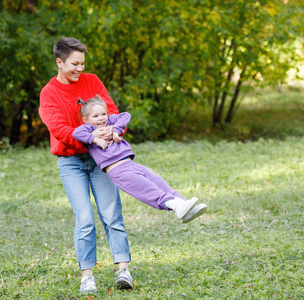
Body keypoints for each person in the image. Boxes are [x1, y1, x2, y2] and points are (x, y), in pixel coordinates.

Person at [38, 37, 132, 293]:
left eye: (82, 63)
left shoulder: (92, 81)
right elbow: (58, 129)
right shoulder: (49, 93)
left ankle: (124, 271)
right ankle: (87, 276)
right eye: (74, 64)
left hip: (101, 158)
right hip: (71, 162)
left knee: (112, 214)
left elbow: (110, 111)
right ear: (59, 62)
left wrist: (113, 132)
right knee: (85, 218)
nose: (80, 69)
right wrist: (91, 136)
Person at [73, 96, 208, 221]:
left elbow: (126, 115)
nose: (101, 118)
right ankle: (177, 206)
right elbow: (76, 133)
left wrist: (115, 130)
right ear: (85, 119)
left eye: (103, 114)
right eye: (95, 116)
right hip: (118, 171)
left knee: (158, 182)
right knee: (148, 189)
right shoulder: (87, 129)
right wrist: (95, 139)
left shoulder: (110, 123)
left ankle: (184, 205)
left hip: (131, 164)